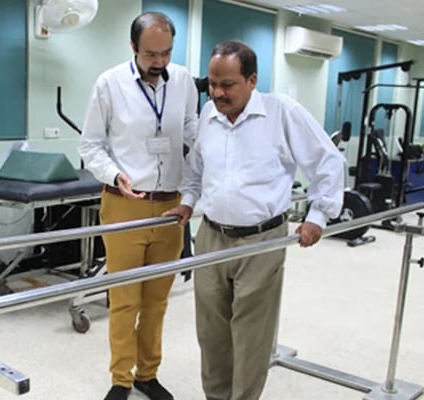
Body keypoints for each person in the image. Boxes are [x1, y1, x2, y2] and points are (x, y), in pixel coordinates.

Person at [163, 40, 345, 400]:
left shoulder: (281, 112)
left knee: (250, 333)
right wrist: (187, 202)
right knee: (211, 331)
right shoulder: (208, 115)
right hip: (211, 235)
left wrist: (318, 215)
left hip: (262, 240)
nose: (217, 93)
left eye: (227, 84)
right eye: (213, 84)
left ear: (251, 80)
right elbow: (197, 168)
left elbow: (328, 161)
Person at [78, 11, 198, 400]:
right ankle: (120, 379)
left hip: (171, 206)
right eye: (151, 54)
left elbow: (192, 127)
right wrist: (115, 174)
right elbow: (90, 145)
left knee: (157, 300)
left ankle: (148, 373)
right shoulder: (109, 84)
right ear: (133, 47)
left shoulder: (181, 81)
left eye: (166, 53)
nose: (159, 63)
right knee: (124, 299)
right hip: (125, 204)